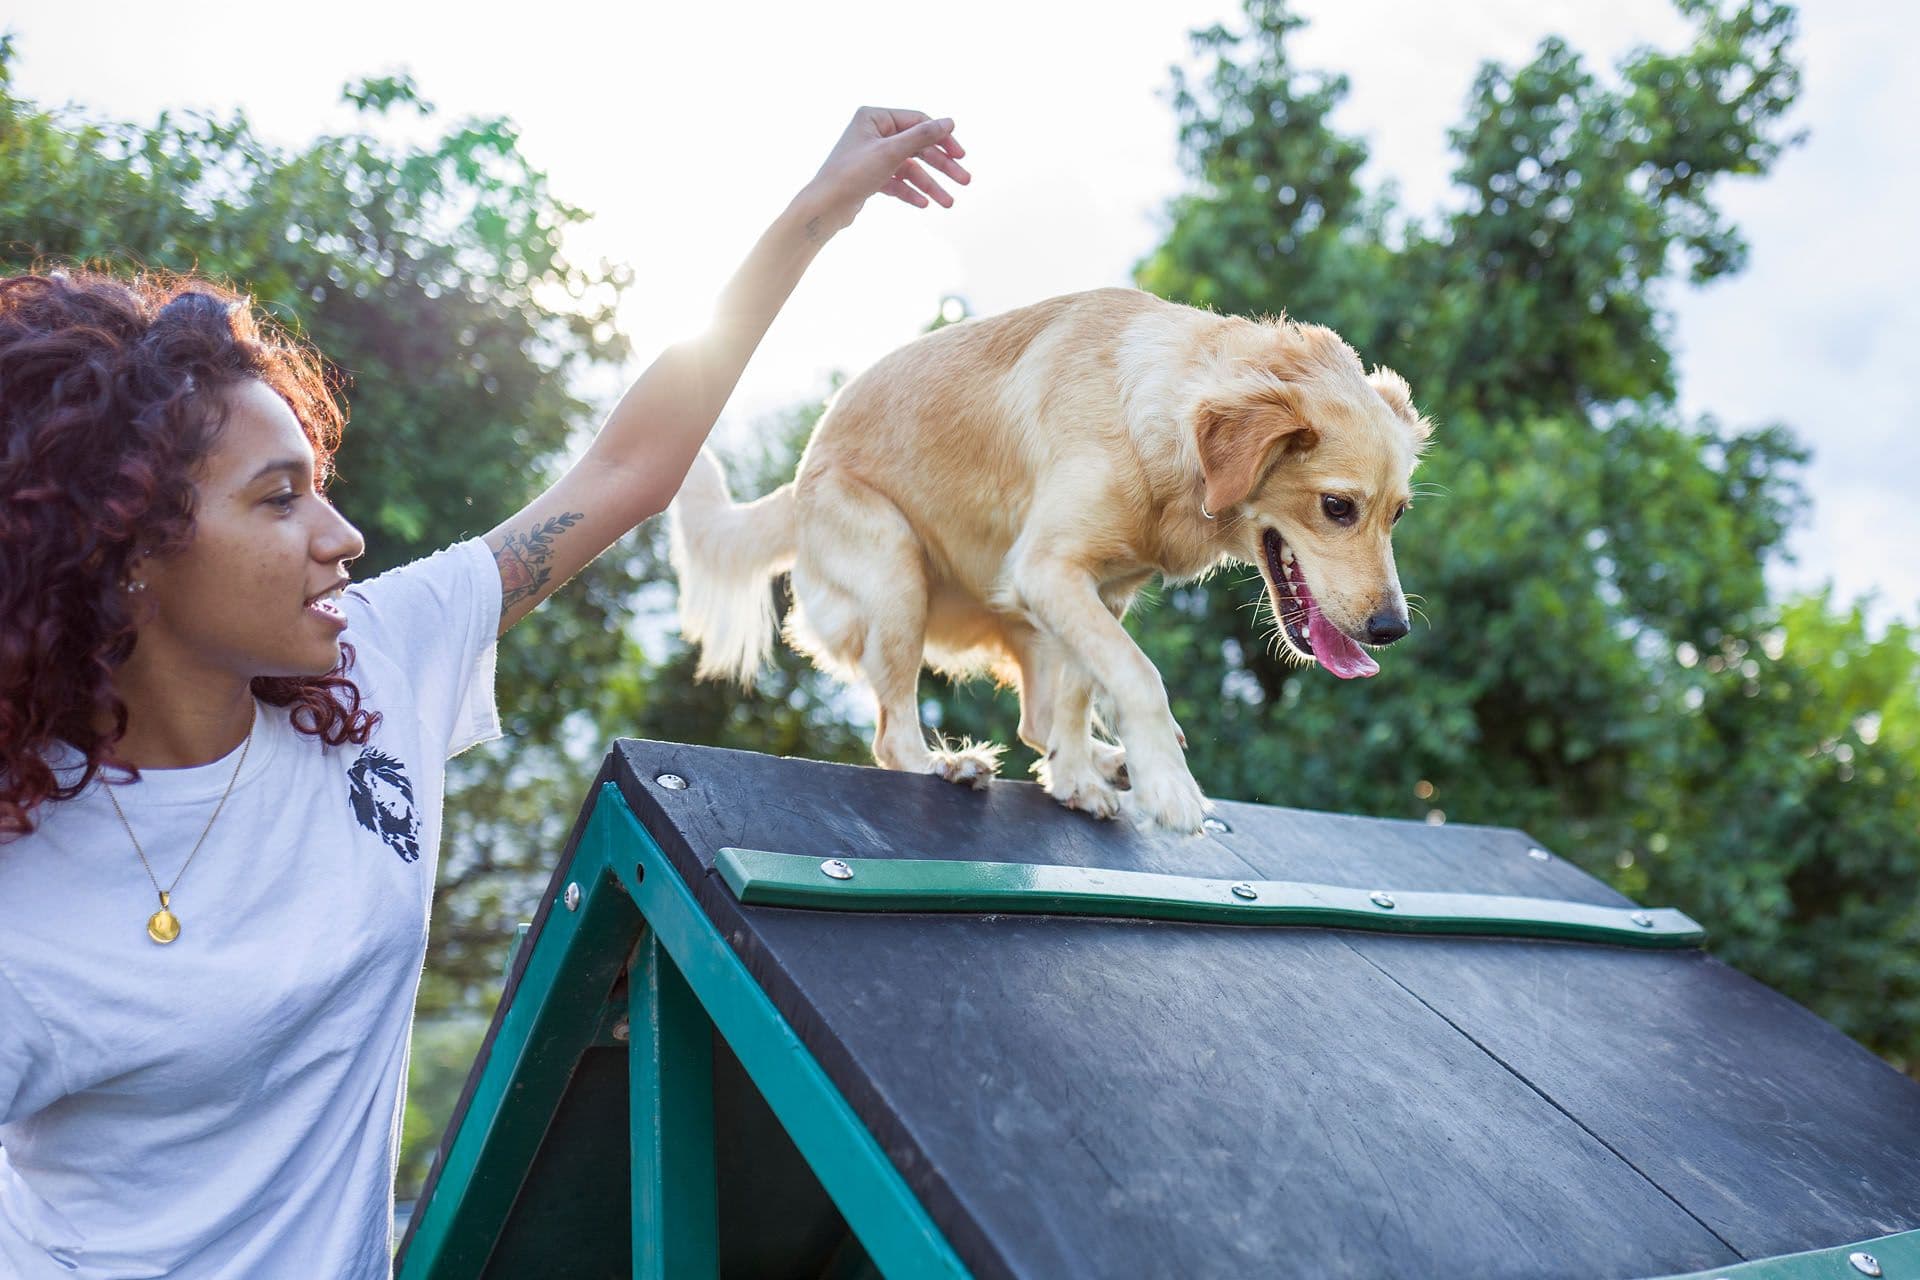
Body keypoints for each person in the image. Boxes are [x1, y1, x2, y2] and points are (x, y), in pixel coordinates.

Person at [0, 106, 969, 1278]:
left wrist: (816, 212)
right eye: (277, 498)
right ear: (129, 550)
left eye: (321, 486)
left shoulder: (371, 661)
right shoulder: (26, 892)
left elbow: (626, 470)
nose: (343, 533)